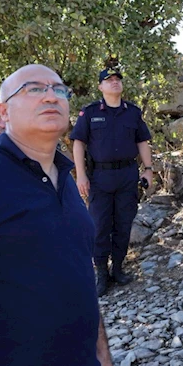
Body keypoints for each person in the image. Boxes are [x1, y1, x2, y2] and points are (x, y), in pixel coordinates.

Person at [0, 64, 114, 366]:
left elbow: (80, 278)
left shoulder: (66, 180)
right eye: (34, 89)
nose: (51, 96)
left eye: (59, 89)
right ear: (4, 111)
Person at [70, 66, 154, 296]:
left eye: (117, 79)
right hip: (100, 177)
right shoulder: (90, 112)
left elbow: (142, 142)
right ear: (100, 87)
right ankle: (101, 274)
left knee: (123, 224)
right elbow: (78, 143)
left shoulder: (132, 112)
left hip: (127, 175)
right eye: (109, 80)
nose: (114, 82)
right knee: (99, 226)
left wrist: (148, 170)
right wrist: (81, 175)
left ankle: (117, 268)